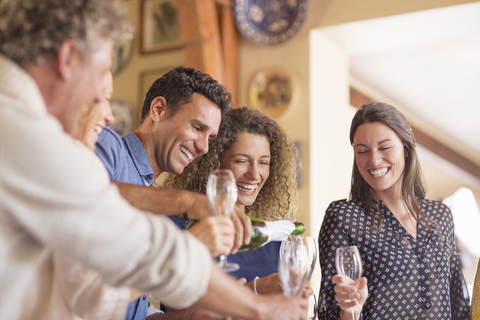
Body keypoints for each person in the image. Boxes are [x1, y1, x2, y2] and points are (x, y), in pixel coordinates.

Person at [0, 1, 308, 320]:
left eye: (211, 137)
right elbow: (124, 232)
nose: (105, 113)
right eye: (100, 82)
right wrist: (257, 305)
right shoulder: (32, 131)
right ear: (67, 60)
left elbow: (94, 293)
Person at [94, 67, 254, 319]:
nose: (203, 147)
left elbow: (134, 307)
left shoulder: (155, 193)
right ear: (158, 110)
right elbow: (87, 197)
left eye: (210, 138)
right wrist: (186, 201)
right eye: (197, 128)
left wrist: (189, 318)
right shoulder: (107, 144)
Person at [318, 102, 470, 319]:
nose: (374, 160)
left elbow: (459, 304)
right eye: (362, 151)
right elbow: (329, 312)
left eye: (385, 147)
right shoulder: (343, 218)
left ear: (406, 149)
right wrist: (351, 309)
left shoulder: (440, 216)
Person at [161, 106, 303, 319]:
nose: (254, 174)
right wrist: (254, 291)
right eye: (241, 160)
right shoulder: (181, 230)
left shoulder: (275, 238)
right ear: (213, 162)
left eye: (264, 162)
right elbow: (174, 312)